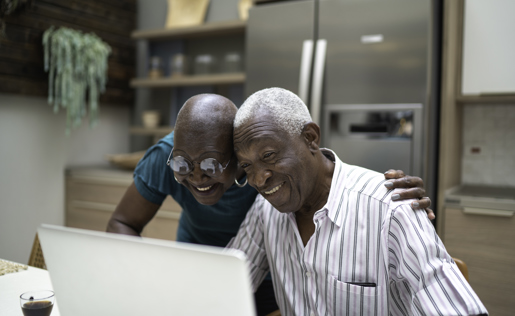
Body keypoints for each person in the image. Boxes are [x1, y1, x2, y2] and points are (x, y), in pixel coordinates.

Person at [106, 94, 433, 316]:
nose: (196, 177)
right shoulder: (167, 159)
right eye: (182, 165)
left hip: (272, 284)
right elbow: (123, 222)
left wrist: (386, 198)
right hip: (209, 276)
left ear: (235, 157)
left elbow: (309, 162)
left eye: (210, 165)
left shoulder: (273, 180)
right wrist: (145, 283)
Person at [228, 87, 488, 315]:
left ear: (310, 138)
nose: (259, 179)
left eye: (270, 155)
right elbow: (224, 287)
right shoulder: (265, 210)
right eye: (247, 166)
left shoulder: (391, 209)